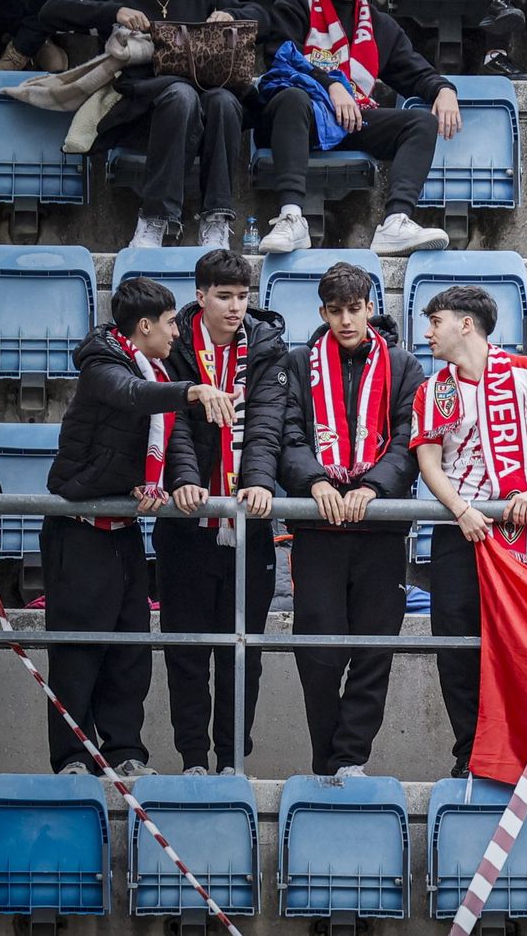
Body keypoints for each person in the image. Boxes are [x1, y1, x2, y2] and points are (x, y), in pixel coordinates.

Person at [44, 277, 237, 777]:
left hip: (125, 530)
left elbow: (165, 438)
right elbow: (131, 397)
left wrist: (169, 482)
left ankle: (126, 751)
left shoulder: (153, 364)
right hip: (79, 529)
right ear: (145, 325)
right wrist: (190, 390)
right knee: (79, 652)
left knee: (130, 649)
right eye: (171, 322)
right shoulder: (103, 364)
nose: (177, 332)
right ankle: (72, 758)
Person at [40, 0, 268, 249]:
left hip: (202, 119)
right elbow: (52, 10)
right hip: (141, 115)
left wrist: (232, 16)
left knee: (223, 100)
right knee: (181, 94)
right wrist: (113, 12)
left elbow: (266, 18)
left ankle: (216, 219)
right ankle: (153, 219)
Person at [278, 263, 424, 778]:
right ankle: (326, 760)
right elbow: (287, 434)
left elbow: (410, 440)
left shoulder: (404, 365)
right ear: (322, 312)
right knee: (317, 654)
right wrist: (316, 482)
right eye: (335, 311)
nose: (345, 320)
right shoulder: (297, 363)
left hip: (380, 531)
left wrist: (371, 487)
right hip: (317, 531)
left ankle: (352, 758)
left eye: (354, 309)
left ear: (369, 307)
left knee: (372, 652)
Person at [414, 285, 527, 778]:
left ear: (466, 324)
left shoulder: (526, 372)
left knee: (518, 642)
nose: (428, 333)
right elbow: (428, 461)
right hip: (459, 531)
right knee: (456, 644)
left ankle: (523, 751)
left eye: (435, 322)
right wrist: (460, 511)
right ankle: (468, 755)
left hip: (517, 528)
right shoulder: (434, 387)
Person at [256, 0, 463, 257]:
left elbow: (415, 72)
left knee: (421, 121)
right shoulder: (293, 6)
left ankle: (396, 221)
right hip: (294, 122)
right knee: (292, 96)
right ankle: (291, 217)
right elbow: (279, 61)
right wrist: (330, 84)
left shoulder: (378, 24)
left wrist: (443, 89)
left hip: (349, 120)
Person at [155, 250, 285, 776]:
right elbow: (174, 421)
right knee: (186, 652)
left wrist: (256, 480)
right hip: (187, 528)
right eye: (225, 296)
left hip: (248, 530)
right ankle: (192, 760)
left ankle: (232, 761)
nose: (236, 308)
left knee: (243, 655)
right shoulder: (174, 346)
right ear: (201, 295)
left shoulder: (268, 348)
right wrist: (184, 480)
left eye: (243, 297)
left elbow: (268, 424)